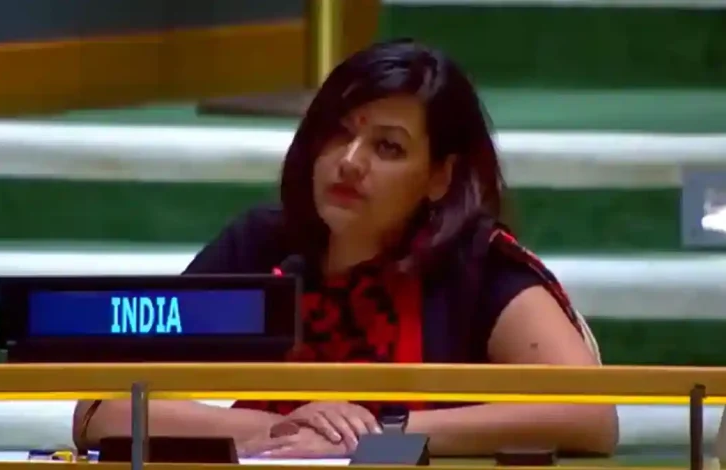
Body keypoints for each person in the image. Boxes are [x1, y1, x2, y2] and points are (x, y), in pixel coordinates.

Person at [73, 39, 618, 457]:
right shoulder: (262, 246)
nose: (350, 162)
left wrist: (379, 437)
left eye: (388, 147)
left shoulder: (478, 268)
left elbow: (588, 415)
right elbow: (101, 410)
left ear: (439, 177)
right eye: (339, 133)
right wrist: (277, 429)